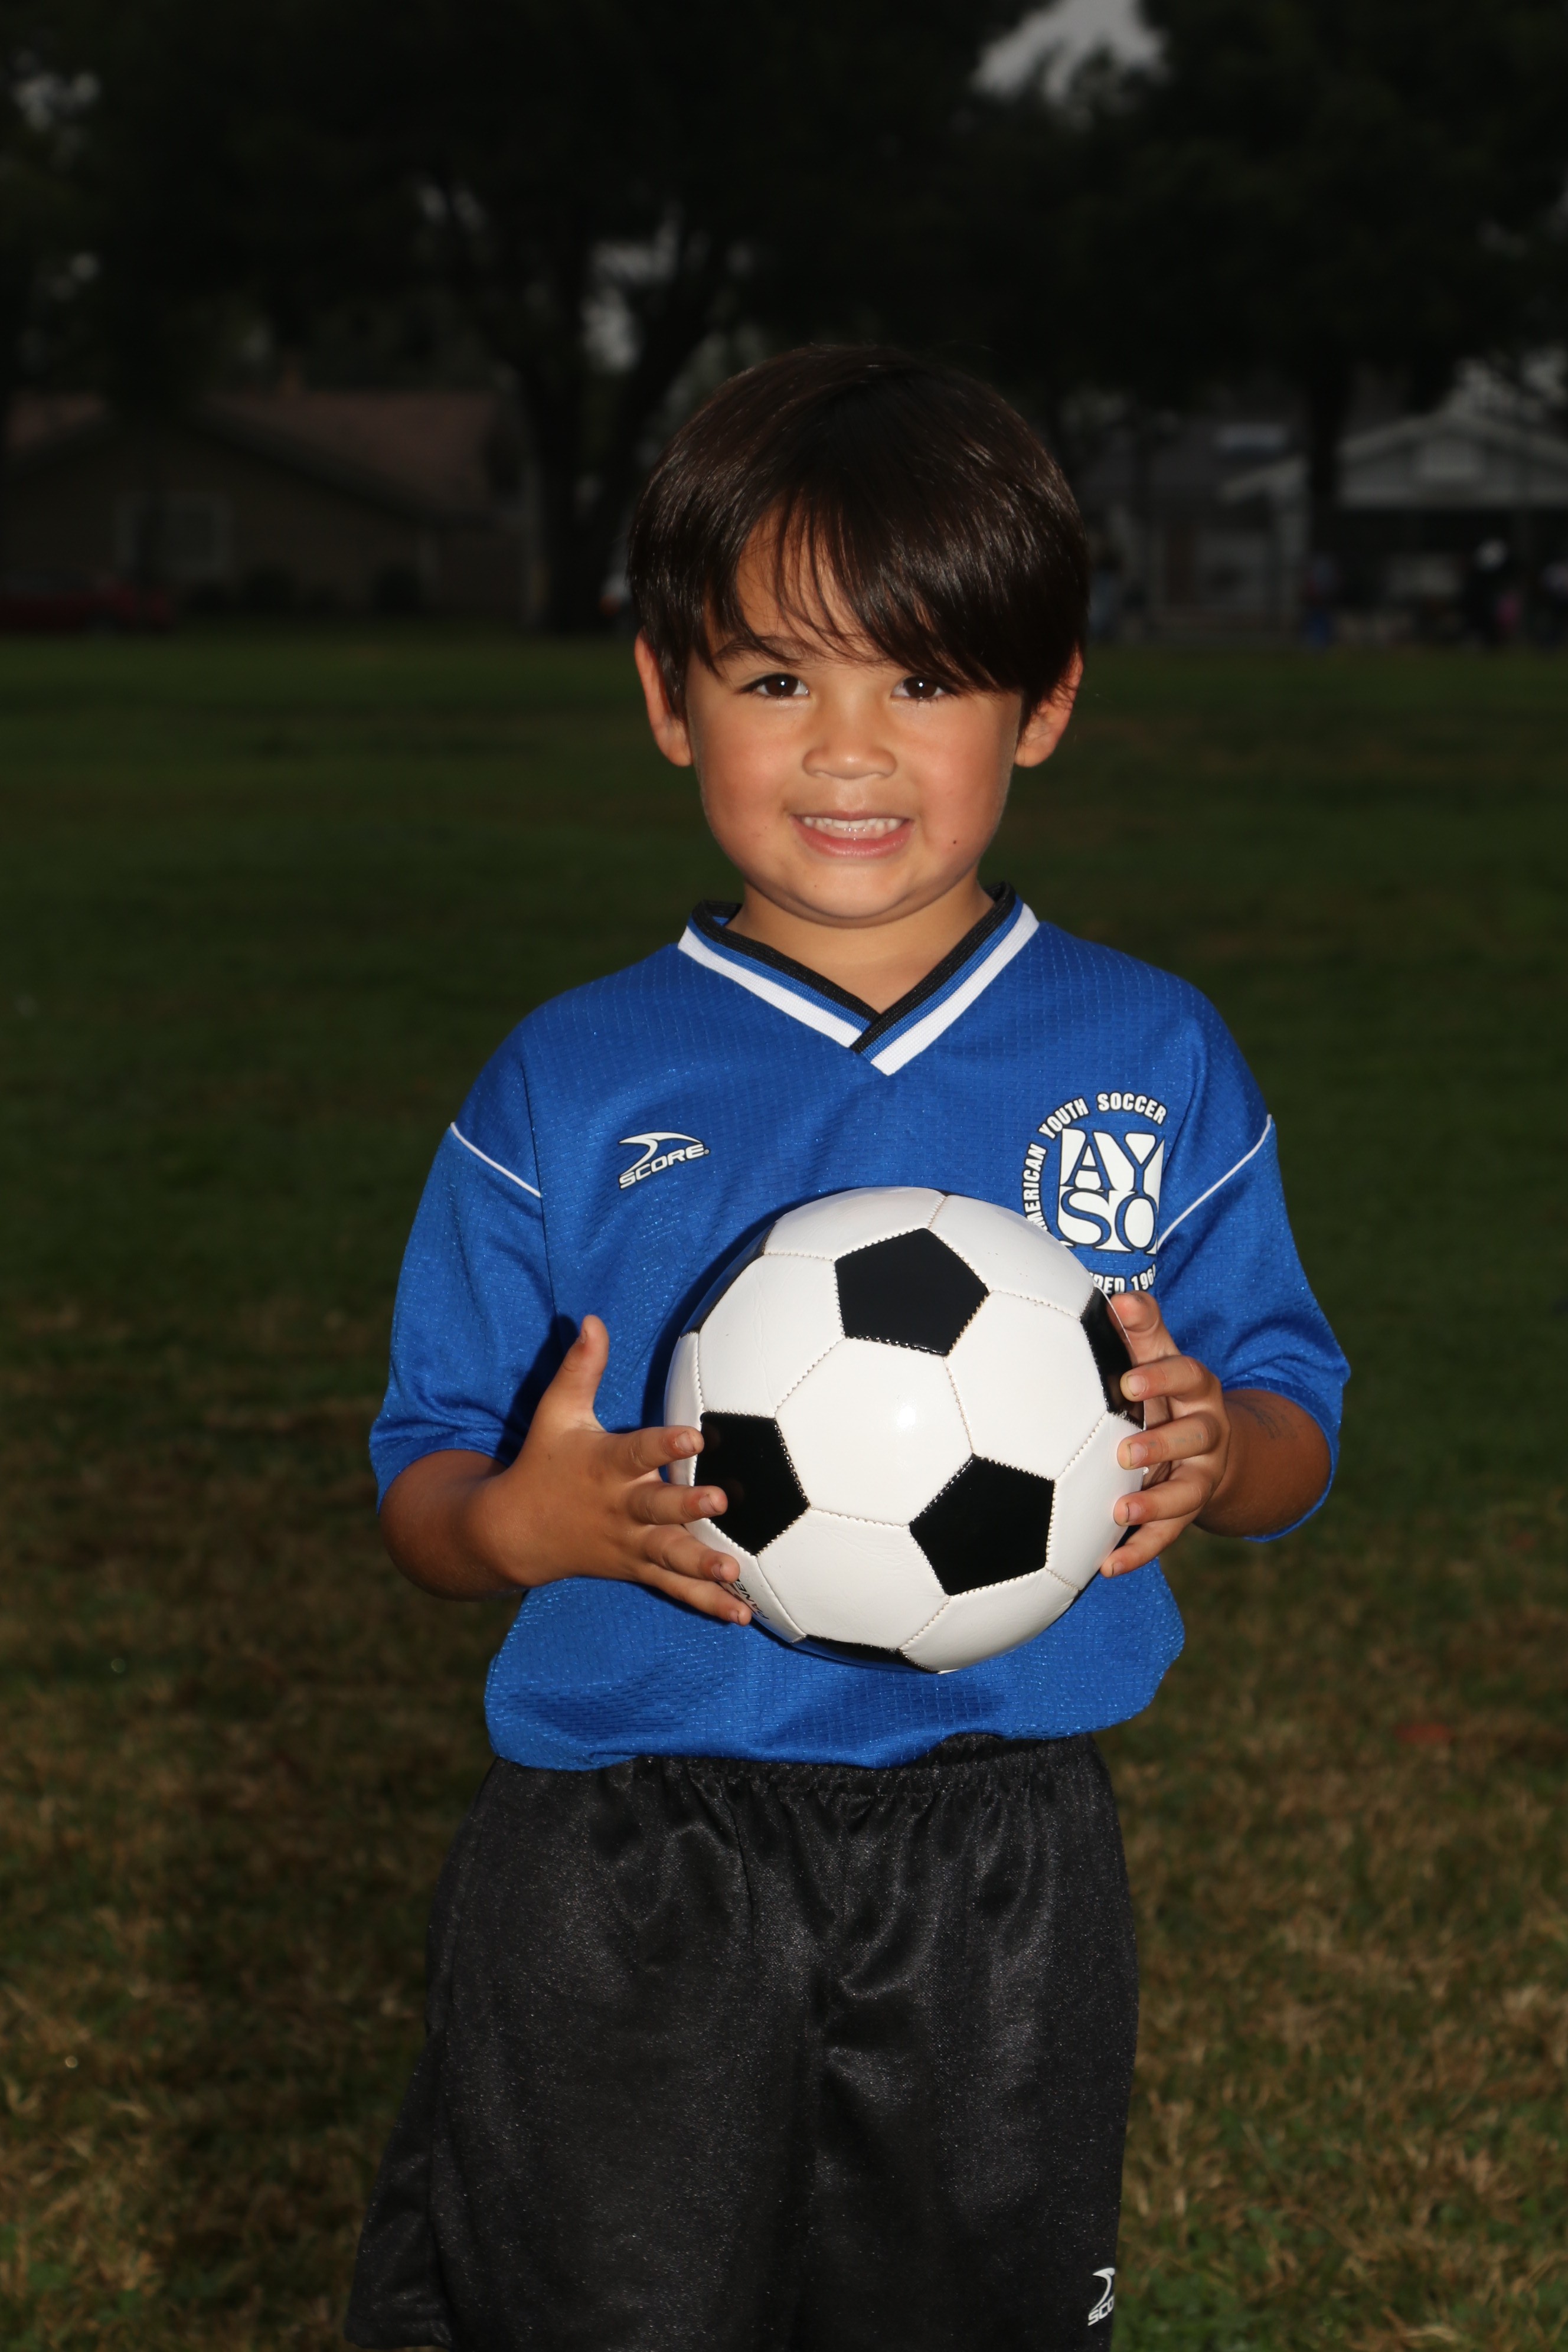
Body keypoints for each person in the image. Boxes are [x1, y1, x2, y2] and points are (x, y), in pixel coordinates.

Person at [345, 347, 1348, 2352]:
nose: (849, 752)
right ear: (668, 699)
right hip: (628, 1843)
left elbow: (1292, 1409)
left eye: (926, 679)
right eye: (777, 678)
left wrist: (1224, 1454)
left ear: (1044, 702)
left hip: (1005, 1849)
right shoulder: (571, 1079)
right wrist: (519, 1523)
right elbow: (427, 1475)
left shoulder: (1149, 1053)